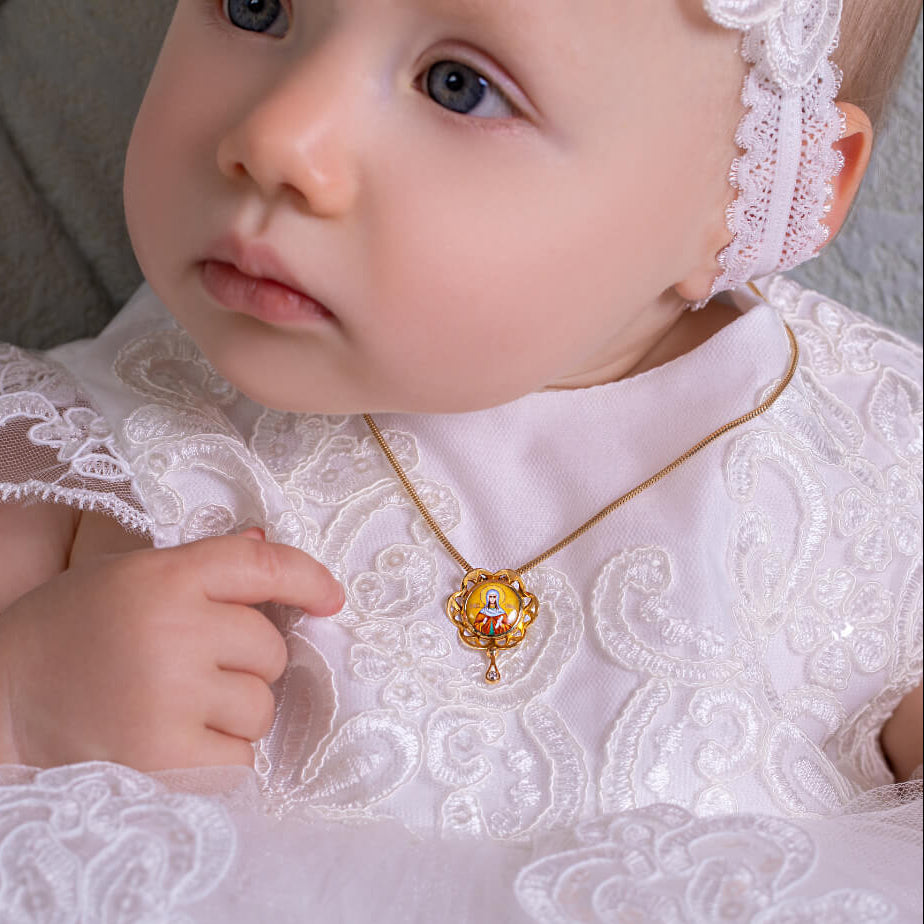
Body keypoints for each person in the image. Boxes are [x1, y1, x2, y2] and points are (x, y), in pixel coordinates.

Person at [0, 0, 921, 920]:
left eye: (460, 87)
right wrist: (25, 704)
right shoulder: (84, 450)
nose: (276, 138)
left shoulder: (874, 453)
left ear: (760, 192)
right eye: (257, 8)